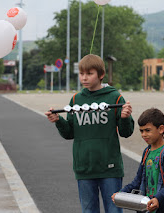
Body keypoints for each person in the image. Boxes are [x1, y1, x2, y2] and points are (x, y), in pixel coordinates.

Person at [45, 54, 134, 213]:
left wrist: (125, 117)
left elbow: (126, 132)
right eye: (81, 74)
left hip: (110, 168)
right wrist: (58, 120)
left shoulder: (115, 97)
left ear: (101, 75)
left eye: (89, 73)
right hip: (84, 168)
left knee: (114, 211)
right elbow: (69, 133)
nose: (84, 78)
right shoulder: (76, 100)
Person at [112, 108, 164, 213]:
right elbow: (138, 180)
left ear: (161, 129)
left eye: (147, 130)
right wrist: (121, 193)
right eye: (141, 131)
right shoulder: (147, 151)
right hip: (146, 207)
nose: (143, 134)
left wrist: (158, 198)